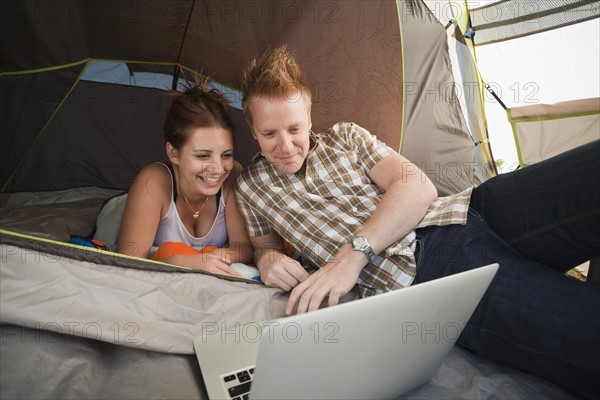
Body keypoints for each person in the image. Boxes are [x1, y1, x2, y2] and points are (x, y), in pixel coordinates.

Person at [234, 46, 599, 398]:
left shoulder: (345, 136)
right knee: (585, 331)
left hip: (471, 209)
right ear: (252, 130)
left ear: (310, 118)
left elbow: (416, 185)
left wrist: (352, 256)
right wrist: (267, 259)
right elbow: (262, 246)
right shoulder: (250, 187)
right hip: (431, 272)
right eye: (269, 134)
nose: (285, 146)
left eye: (295, 129)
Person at [116, 79, 252, 275]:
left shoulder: (232, 176)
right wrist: (186, 261)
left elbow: (244, 248)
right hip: (128, 211)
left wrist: (209, 256)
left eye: (226, 155)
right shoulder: (151, 182)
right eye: (203, 156)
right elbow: (128, 261)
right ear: (173, 153)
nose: (217, 169)